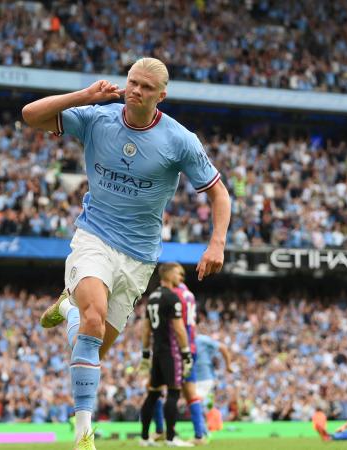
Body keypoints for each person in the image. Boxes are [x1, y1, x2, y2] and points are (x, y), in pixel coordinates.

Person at [23, 57, 231, 450]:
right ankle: (83, 435)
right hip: (94, 238)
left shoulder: (180, 140)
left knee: (92, 343)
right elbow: (30, 115)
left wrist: (217, 242)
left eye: (146, 87)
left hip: (139, 257)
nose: (136, 90)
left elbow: (219, 193)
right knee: (94, 319)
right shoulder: (97, 117)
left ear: (161, 95)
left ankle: (67, 308)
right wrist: (85, 95)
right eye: (132, 82)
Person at [137, 263, 195, 447]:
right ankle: (171, 438)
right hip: (171, 351)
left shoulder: (152, 298)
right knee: (173, 392)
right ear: (168, 275)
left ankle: (144, 438)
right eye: (178, 274)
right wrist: (186, 354)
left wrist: (145, 353)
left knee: (153, 394)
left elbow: (146, 329)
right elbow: (179, 329)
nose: (181, 278)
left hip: (157, 352)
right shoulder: (172, 297)